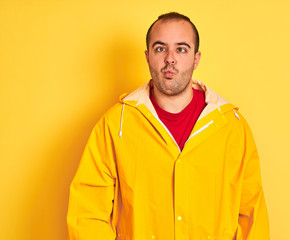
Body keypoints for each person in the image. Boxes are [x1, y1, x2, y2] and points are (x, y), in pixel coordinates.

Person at [67, 12, 269, 240]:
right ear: (147, 56)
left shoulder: (232, 128)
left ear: (196, 58)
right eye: (160, 48)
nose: (170, 58)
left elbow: (251, 215)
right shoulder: (115, 124)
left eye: (181, 49)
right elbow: (87, 213)